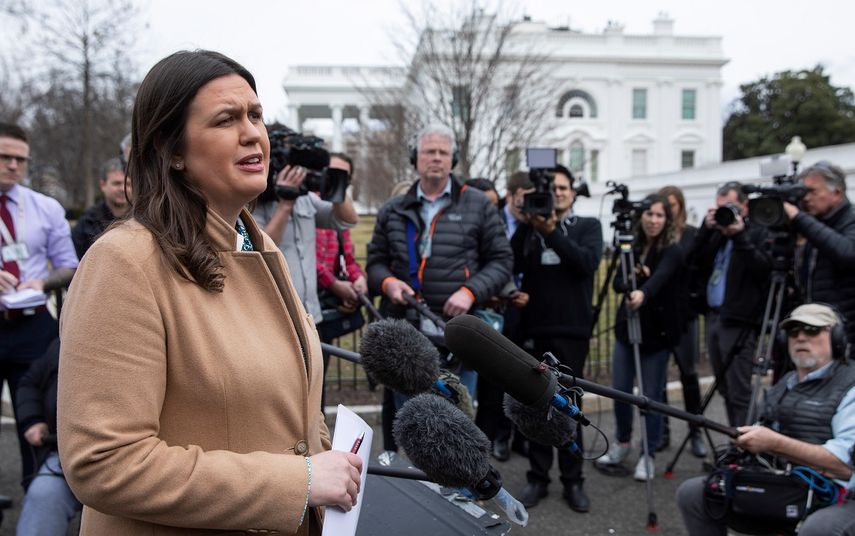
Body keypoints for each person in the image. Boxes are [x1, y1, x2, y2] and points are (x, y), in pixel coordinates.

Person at [57, 50, 362, 535]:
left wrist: (327, 465)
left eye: (255, 115)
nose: (252, 133)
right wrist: (298, 482)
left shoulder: (261, 248)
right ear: (172, 149)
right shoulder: (124, 262)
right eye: (226, 119)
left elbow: (292, 413)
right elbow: (104, 463)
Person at [366, 123, 513, 448]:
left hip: (459, 336)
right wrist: (388, 283)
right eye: (429, 152)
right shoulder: (393, 209)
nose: (436, 158)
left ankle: (456, 479)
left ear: (453, 159)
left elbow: (502, 261)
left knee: (456, 428)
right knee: (413, 425)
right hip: (407, 336)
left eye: (443, 153)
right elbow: (375, 262)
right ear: (415, 158)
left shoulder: (478, 204)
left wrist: (470, 291)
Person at [676, 303, 855, 536]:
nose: (801, 337)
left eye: (812, 330)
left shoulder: (850, 385)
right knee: (693, 493)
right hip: (786, 484)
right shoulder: (785, 384)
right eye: (793, 332)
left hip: (840, 495)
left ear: (837, 338)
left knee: (819, 528)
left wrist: (774, 443)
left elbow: (845, 466)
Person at [513, 165, 603, 511]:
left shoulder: (587, 226)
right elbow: (513, 261)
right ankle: (538, 478)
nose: (558, 193)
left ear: (573, 193)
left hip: (572, 330)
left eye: (563, 187)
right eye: (553, 189)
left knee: (568, 406)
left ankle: (573, 479)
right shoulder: (530, 229)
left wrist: (551, 231)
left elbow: (585, 263)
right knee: (535, 405)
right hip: (534, 329)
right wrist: (527, 223)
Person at [0, 122, 78, 489]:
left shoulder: (45, 208)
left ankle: (35, 495)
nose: (13, 165)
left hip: (32, 326)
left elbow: (68, 265)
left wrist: (43, 282)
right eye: (5, 157)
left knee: (34, 418)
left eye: (21, 159)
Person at [595, 194, 682, 481]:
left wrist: (643, 290)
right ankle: (622, 442)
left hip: (656, 335)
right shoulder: (630, 244)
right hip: (627, 330)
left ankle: (648, 453)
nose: (653, 220)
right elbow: (618, 282)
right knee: (621, 390)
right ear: (640, 216)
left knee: (650, 396)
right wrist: (630, 279)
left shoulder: (672, 250)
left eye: (659, 215)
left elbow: (661, 278)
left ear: (667, 219)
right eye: (649, 214)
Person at [252, 129, 358, 326]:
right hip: (278, 319)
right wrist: (285, 204)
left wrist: (335, 183)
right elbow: (260, 250)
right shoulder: (255, 203)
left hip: (311, 316)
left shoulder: (307, 198)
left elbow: (347, 219)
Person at [687, 182, 771, 428]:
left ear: (745, 207)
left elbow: (763, 270)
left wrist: (740, 235)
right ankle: (736, 438)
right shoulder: (717, 233)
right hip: (713, 316)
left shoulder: (757, 232)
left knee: (739, 391)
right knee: (724, 387)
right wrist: (706, 229)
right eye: (720, 207)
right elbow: (691, 261)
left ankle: (748, 443)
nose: (725, 213)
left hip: (739, 320)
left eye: (730, 207)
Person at [656, 185, 706, 457]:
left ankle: (695, 431)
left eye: (672, 205)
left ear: (681, 207)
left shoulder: (691, 234)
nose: (667, 210)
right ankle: (662, 431)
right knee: (658, 379)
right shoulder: (655, 237)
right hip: (659, 314)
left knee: (689, 375)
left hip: (684, 315)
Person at [314, 152, 367, 410]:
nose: (334, 178)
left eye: (342, 176)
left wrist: (358, 279)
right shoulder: (308, 203)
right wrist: (334, 284)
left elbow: (348, 258)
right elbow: (307, 260)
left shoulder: (340, 211)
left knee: (318, 380)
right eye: (331, 171)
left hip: (325, 309)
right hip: (306, 302)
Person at [14, 338, 82, 535]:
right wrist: (33, 420)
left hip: (123, 461)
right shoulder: (61, 345)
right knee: (42, 495)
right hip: (64, 456)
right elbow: (29, 383)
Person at [784, 161, 855, 345]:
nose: (806, 199)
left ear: (837, 192)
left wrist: (799, 218)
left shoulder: (850, 220)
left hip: (846, 329)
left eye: (813, 191)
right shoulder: (814, 224)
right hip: (814, 325)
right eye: (803, 193)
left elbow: (847, 253)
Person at [71, 156, 131, 258]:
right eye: (117, 183)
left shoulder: (142, 219)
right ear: (103, 185)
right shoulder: (88, 222)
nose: (123, 188)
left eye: (128, 184)